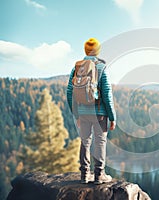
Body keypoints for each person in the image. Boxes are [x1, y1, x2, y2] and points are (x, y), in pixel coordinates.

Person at [67, 38, 116, 184]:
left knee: (85, 142)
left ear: (85, 50)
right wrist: (112, 117)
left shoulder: (77, 67)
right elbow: (106, 93)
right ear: (98, 51)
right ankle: (99, 175)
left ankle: (84, 175)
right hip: (100, 114)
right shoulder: (101, 67)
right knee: (100, 142)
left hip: (83, 113)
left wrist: (76, 114)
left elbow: (70, 91)